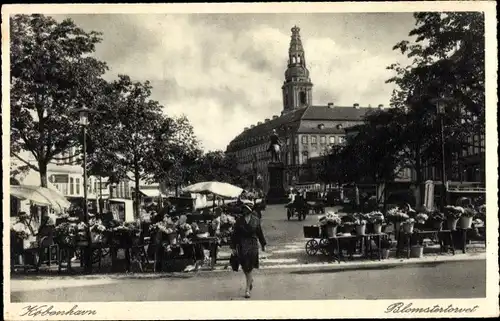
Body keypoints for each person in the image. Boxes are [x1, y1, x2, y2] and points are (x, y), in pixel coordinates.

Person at [231, 204, 267, 298]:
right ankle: (250, 280)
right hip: (242, 245)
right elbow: (235, 234)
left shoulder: (255, 220)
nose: (244, 212)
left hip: (252, 244)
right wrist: (233, 247)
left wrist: (263, 244)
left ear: (250, 210)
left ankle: (247, 289)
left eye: (246, 210)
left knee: (249, 266)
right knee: (244, 266)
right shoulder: (239, 221)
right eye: (243, 210)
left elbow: (260, 233)